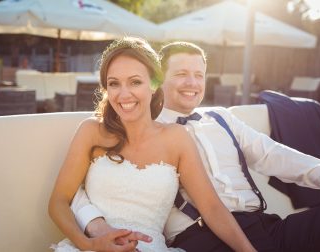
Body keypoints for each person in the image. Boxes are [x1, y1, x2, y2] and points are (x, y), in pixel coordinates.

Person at [72, 41, 320, 252]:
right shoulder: (141, 124)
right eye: (181, 74)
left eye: (199, 75)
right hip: (199, 237)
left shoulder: (221, 117)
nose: (192, 83)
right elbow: (92, 182)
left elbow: (273, 154)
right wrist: (94, 224)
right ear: (157, 81)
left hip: (265, 226)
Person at [48, 37, 256, 252]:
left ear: (155, 85)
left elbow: (212, 208)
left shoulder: (176, 138)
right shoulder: (91, 131)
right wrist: (89, 244)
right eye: (114, 83)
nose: (124, 94)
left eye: (135, 82)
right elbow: (58, 202)